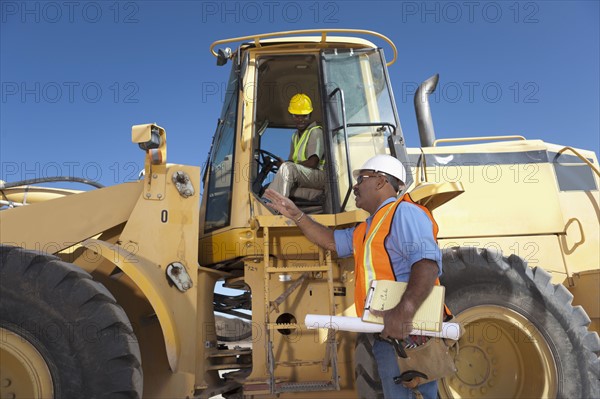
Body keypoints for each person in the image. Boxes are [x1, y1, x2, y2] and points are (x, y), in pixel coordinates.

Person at [263, 154, 442, 399]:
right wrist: (297, 216)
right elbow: (330, 241)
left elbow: (426, 264)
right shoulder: (368, 227)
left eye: (361, 179)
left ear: (381, 181)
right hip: (387, 329)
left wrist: (404, 311)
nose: (355, 186)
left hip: (407, 330)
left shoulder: (405, 213)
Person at [267, 93, 326, 198]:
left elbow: (313, 163)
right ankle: (268, 201)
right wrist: (280, 164)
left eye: (304, 116)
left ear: (310, 115)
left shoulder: (315, 132)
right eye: (296, 116)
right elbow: (293, 163)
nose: (300, 119)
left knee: (288, 168)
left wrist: (286, 166)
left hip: (319, 175)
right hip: (305, 175)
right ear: (292, 116)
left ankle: (272, 207)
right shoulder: (295, 136)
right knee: (270, 187)